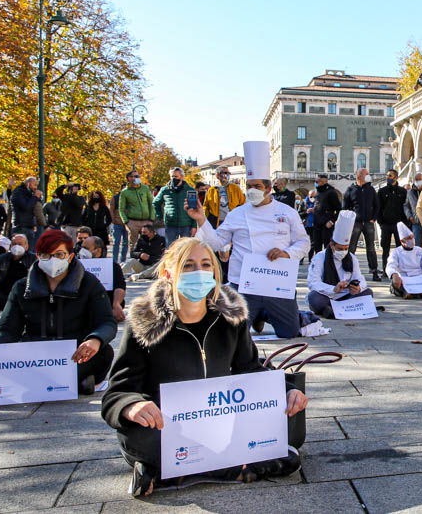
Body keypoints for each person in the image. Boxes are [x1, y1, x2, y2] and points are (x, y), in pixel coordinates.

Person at [101, 237, 307, 497]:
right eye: (187, 266)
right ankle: (231, 467)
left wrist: (285, 391)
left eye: (205, 264)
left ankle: (171, 473)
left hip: (219, 417)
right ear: (168, 273)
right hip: (167, 425)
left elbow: (250, 369)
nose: (198, 272)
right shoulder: (145, 322)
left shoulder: (231, 316)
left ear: (214, 271)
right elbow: (117, 391)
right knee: (141, 439)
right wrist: (132, 406)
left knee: (285, 419)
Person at [190, 141, 310, 339]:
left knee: (289, 333)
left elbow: (303, 242)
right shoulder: (237, 214)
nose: (252, 190)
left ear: (269, 188)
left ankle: (263, 314)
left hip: (277, 281)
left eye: (257, 186)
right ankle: (253, 314)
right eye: (249, 186)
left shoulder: (287, 212)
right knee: (235, 335)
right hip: (244, 284)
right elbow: (217, 242)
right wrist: (201, 219)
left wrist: (286, 253)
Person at [0, 230, 116, 395]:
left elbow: (106, 322)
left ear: (70, 257)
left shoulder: (89, 283)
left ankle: (49, 382)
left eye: (59, 255)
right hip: (34, 354)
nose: (52, 260)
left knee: (104, 353)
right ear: (38, 257)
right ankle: (72, 382)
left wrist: (95, 340)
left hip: (73, 353)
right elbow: (7, 329)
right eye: (46, 255)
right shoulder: (21, 287)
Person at [306, 210, 375, 318]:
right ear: (332, 245)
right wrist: (333, 289)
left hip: (347, 296)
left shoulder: (351, 258)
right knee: (313, 297)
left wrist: (358, 288)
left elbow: (359, 278)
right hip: (327, 296)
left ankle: (332, 310)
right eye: (340, 248)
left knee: (368, 293)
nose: (343, 251)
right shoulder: (320, 257)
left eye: (346, 248)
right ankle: (339, 308)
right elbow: (313, 283)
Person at [386, 222, 422, 299]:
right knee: (395, 285)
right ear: (402, 241)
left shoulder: (420, 251)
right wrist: (394, 275)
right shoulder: (396, 252)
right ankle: (421, 292)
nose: (412, 240)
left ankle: (416, 293)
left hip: (420, 280)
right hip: (405, 280)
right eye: (408, 238)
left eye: (412, 237)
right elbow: (390, 266)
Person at [343, 168, 380, 282]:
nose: (368, 176)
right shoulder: (350, 189)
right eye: (366, 174)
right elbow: (345, 207)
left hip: (369, 222)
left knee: (371, 248)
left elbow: (376, 205)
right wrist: (350, 220)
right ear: (359, 176)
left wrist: (373, 218)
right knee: (352, 247)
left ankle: (374, 271)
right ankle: (349, 271)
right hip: (356, 222)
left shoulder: (371, 189)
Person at [81, 236, 128, 322]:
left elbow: (120, 286)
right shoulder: (77, 266)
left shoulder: (113, 266)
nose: (82, 251)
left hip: (107, 304)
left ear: (98, 251)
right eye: (82, 248)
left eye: (86, 248)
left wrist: (116, 304)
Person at [153, 167, 196, 244]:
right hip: (170, 224)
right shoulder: (165, 190)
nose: (173, 179)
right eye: (172, 176)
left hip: (186, 224)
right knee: (170, 248)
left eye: (176, 176)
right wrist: (160, 216)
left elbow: (194, 209)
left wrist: (194, 226)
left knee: (185, 249)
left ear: (182, 177)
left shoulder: (190, 190)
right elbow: (156, 203)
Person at [377, 169, 408, 275]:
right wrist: (380, 222)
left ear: (396, 177)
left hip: (399, 225)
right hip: (386, 224)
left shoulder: (402, 192)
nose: (388, 177)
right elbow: (378, 208)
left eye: (390, 176)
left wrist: (404, 223)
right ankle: (386, 270)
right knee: (385, 248)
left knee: (400, 249)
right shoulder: (382, 191)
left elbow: (405, 208)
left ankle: (399, 269)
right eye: (387, 176)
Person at [120, 170, 155, 252]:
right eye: (134, 176)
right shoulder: (125, 192)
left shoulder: (145, 188)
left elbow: (151, 203)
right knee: (134, 244)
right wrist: (126, 222)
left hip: (146, 221)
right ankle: (134, 261)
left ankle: (148, 262)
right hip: (133, 222)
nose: (137, 178)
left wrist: (151, 219)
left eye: (137, 176)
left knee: (149, 242)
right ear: (129, 178)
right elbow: (121, 209)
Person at [10, 176, 42, 244]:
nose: (36, 188)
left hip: (28, 226)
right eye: (35, 185)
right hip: (21, 227)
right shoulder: (18, 192)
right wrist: (35, 197)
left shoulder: (28, 193)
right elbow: (26, 207)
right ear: (28, 183)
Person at [403, 172, 422, 247]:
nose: (418, 181)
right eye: (416, 180)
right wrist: (410, 216)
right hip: (416, 222)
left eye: (420, 179)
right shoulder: (410, 192)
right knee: (417, 245)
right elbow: (406, 206)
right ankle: (417, 259)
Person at [110, 186, 129, 264]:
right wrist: (113, 219)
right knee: (116, 243)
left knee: (126, 243)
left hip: (128, 224)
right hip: (117, 224)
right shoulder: (115, 198)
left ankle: (123, 261)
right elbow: (111, 209)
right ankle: (114, 261)